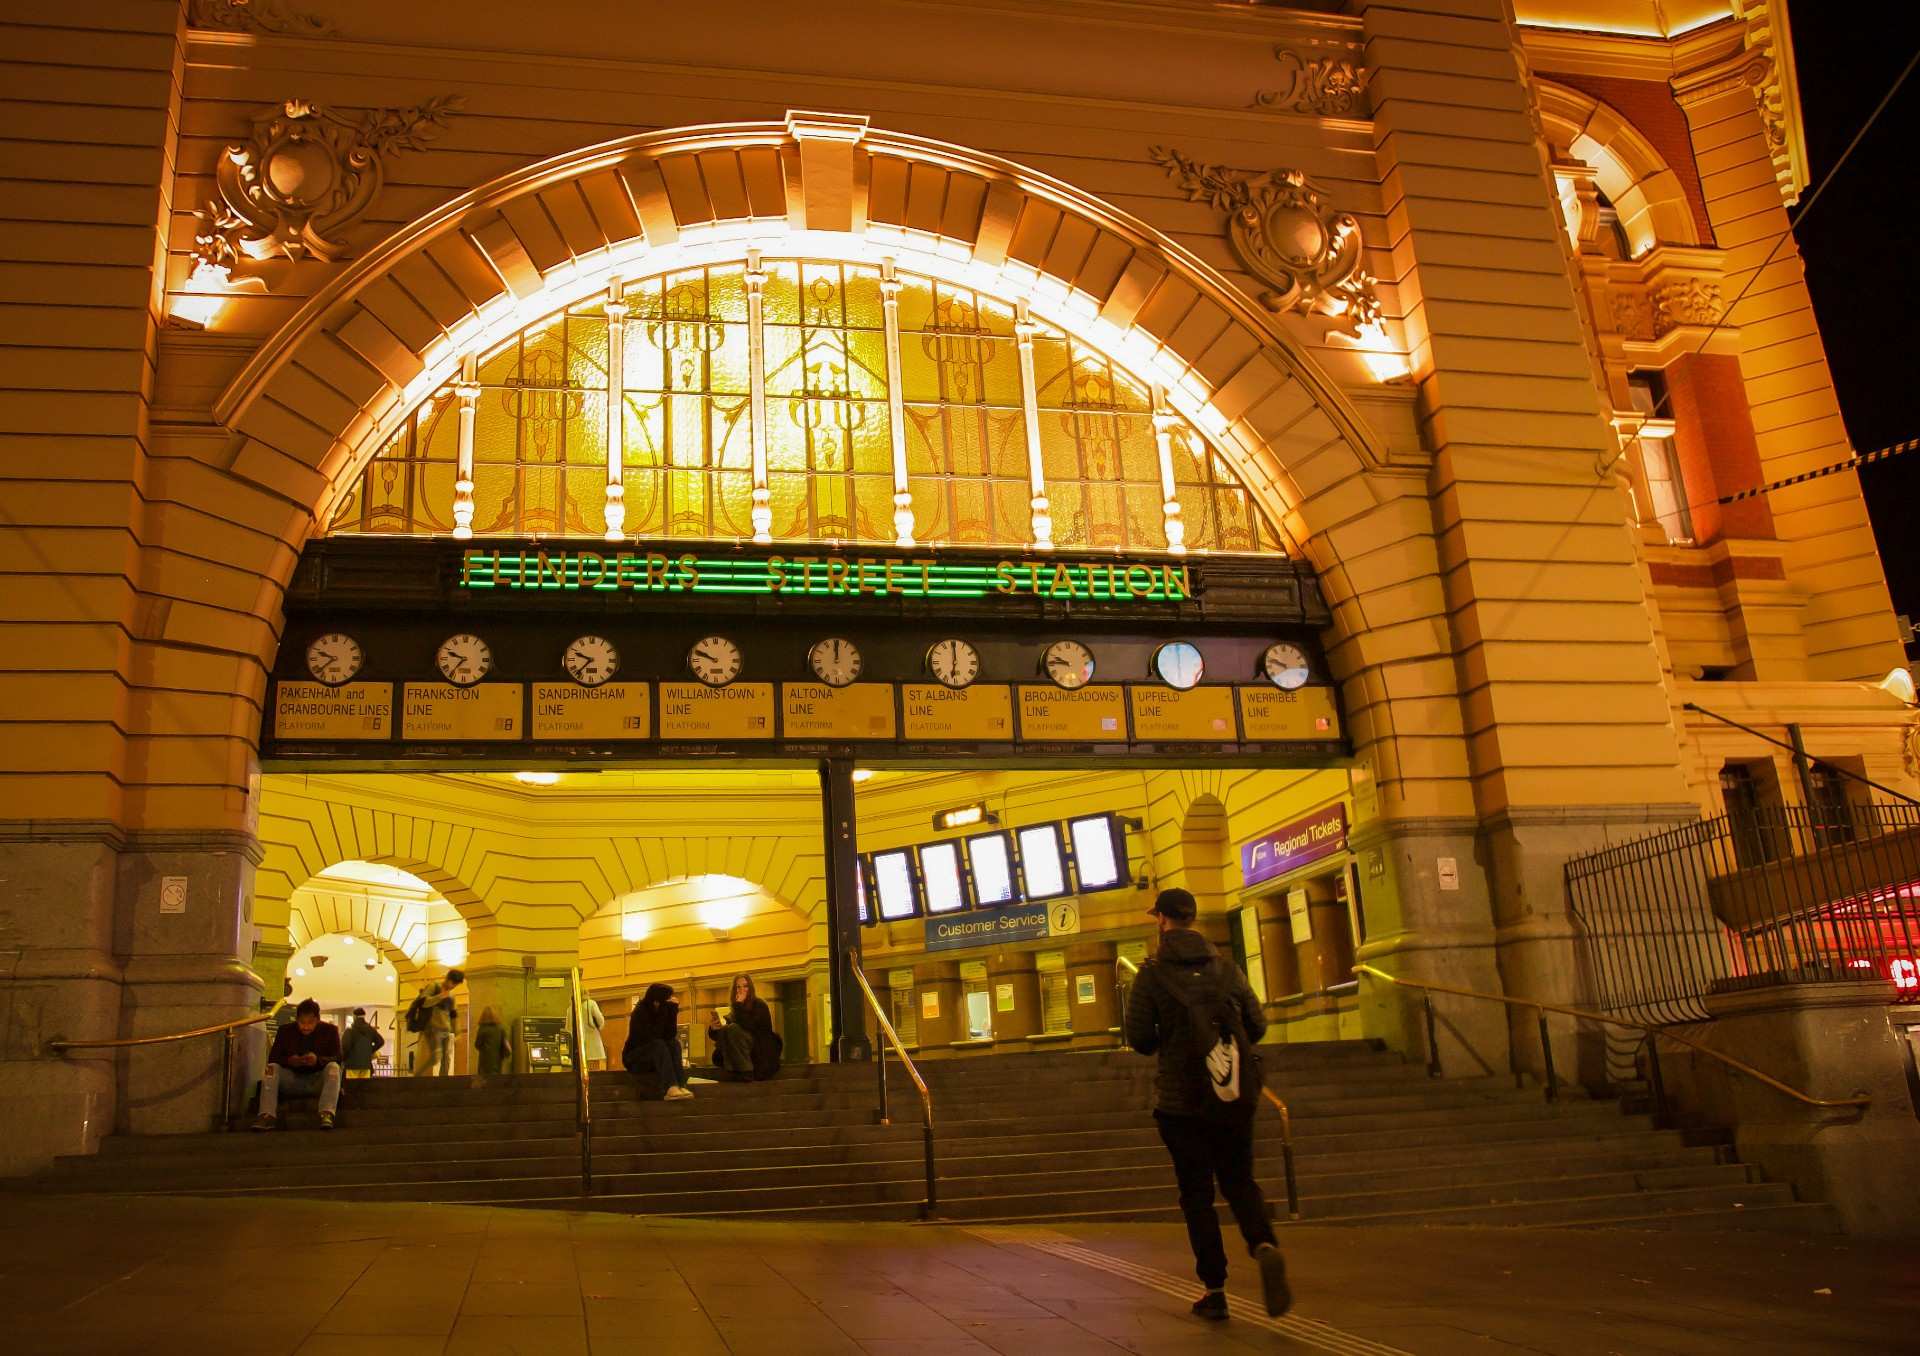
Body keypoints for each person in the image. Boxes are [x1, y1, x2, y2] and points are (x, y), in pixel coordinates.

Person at [1125, 887, 1289, 1321]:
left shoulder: (1152, 974)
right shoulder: (1227, 968)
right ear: (1193, 918)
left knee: (1196, 1194)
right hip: (1232, 1094)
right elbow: (1257, 1024)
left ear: (1161, 920)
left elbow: (1140, 1039)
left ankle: (1215, 1289)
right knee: (1239, 1179)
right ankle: (1262, 1242)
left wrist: (1177, 1040)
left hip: (1181, 1103)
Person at [253, 998, 342, 1131]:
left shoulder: (330, 1031)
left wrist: (318, 1060)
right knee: (271, 1068)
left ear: (318, 1020)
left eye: (310, 1022)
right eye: (302, 1022)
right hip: (291, 1078)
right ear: (296, 1019)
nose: (305, 1027)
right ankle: (267, 1115)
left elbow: (338, 1057)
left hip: (317, 1079)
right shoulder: (285, 1031)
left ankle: (327, 1113)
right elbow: (273, 1058)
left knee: (334, 1067)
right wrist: (290, 1061)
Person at [623, 983, 693, 1101]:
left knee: (674, 1043)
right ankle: (670, 1087)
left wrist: (673, 1013)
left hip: (654, 1057)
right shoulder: (640, 1012)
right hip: (635, 1058)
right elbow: (653, 1037)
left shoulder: (662, 1010)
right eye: (668, 999)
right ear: (657, 1001)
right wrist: (664, 1012)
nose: (671, 1001)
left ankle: (681, 1085)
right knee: (658, 1045)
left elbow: (670, 1035)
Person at [708, 973, 782, 1081]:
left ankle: (745, 1071)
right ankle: (733, 1070)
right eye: (738, 987)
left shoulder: (759, 1005)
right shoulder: (734, 1009)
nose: (741, 990)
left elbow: (750, 1026)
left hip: (759, 1050)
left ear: (750, 988)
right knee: (727, 1029)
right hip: (740, 1049)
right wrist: (714, 1029)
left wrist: (738, 1006)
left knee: (733, 1028)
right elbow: (722, 1035)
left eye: (745, 986)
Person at [412, 967, 464, 1076]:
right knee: (436, 1057)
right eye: (453, 983)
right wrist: (439, 997)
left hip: (446, 1030)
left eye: (455, 984)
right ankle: (417, 1074)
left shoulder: (451, 996)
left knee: (447, 1059)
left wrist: (458, 1033)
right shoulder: (434, 987)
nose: (453, 986)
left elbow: (454, 1015)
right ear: (448, 979)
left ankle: (443, 1083)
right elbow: (424, 1003)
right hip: (432, 1029)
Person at [342, 1006, 384, 1079]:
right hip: (366, 1065)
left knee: (352, 1087)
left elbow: (345, 1046)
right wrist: (370, 1050)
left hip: (352, 1064)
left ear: (354, 1017)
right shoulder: (370, 1030)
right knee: (363, 1087)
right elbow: (381, 1041)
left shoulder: (349, 1031)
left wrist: (344, 1058)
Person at [473, 1006, 513, 1076]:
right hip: (497, 1062)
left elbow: (477, 1045)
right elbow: (507, 1047)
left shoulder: (482, 1028)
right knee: (496, 1082)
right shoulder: (501, 1029)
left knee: (485, 1083)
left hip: (484, 1063)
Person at [582, 994, 607, 1071]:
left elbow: (568, 1029)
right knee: (594, 1070)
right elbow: (600, 1020)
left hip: (578, 1044)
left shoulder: (570, 1008)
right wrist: (600, 1027)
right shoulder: (591, 1003)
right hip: (592, 1040)